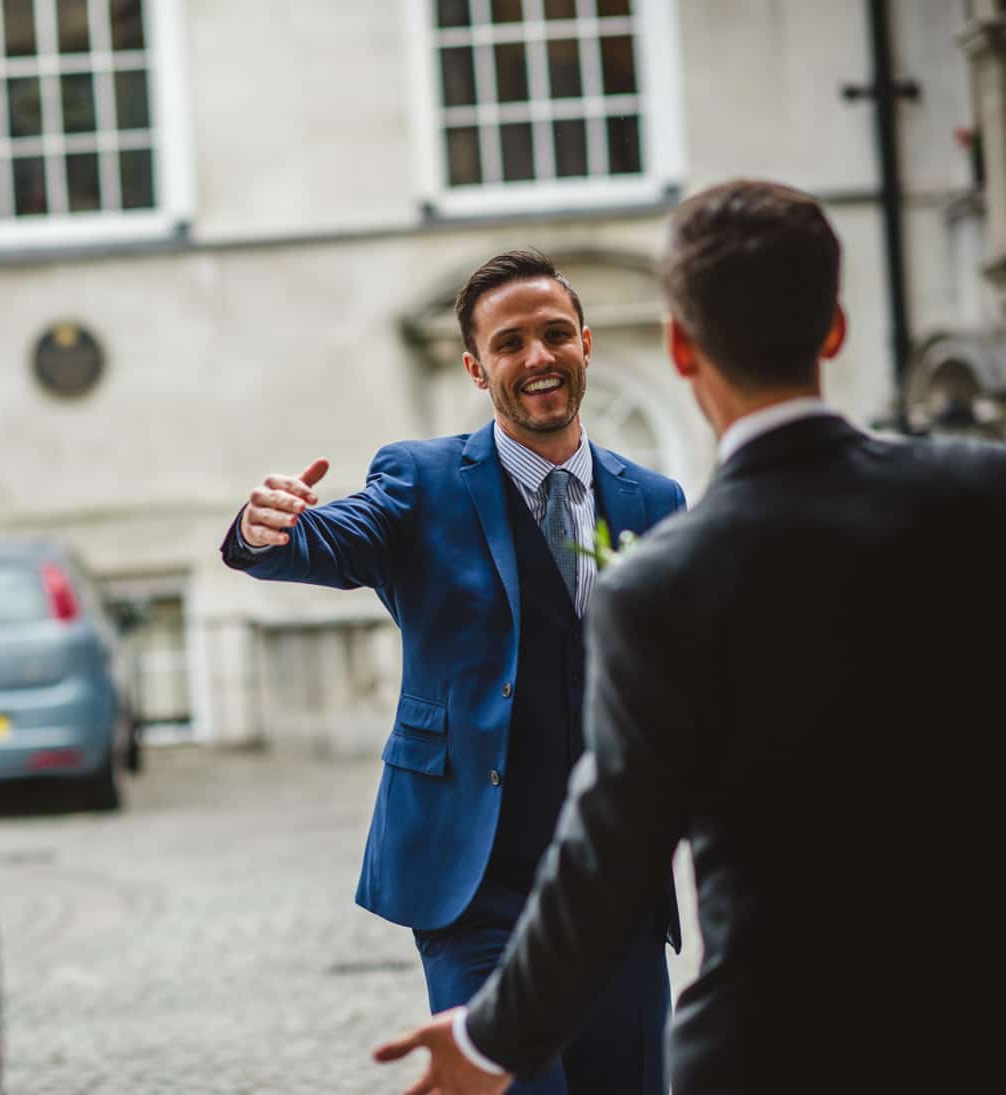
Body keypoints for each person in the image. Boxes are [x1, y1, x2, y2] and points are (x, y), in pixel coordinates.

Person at [372, 179, 1006, 1093]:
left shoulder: (660, 578)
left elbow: (610, 851)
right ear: (834, 326)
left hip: (762, 1041)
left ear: (678, 345)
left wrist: (490, 1039)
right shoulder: (981, 498)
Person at [223, 250, 685, 1093]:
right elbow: (330, 540)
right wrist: (268, 529)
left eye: (554, 335)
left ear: (585, 342)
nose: (537, 356)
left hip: (614, 875)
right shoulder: (424, 480)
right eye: (510, 344)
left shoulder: (654, 500)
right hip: (478, 880)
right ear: (477, 367)